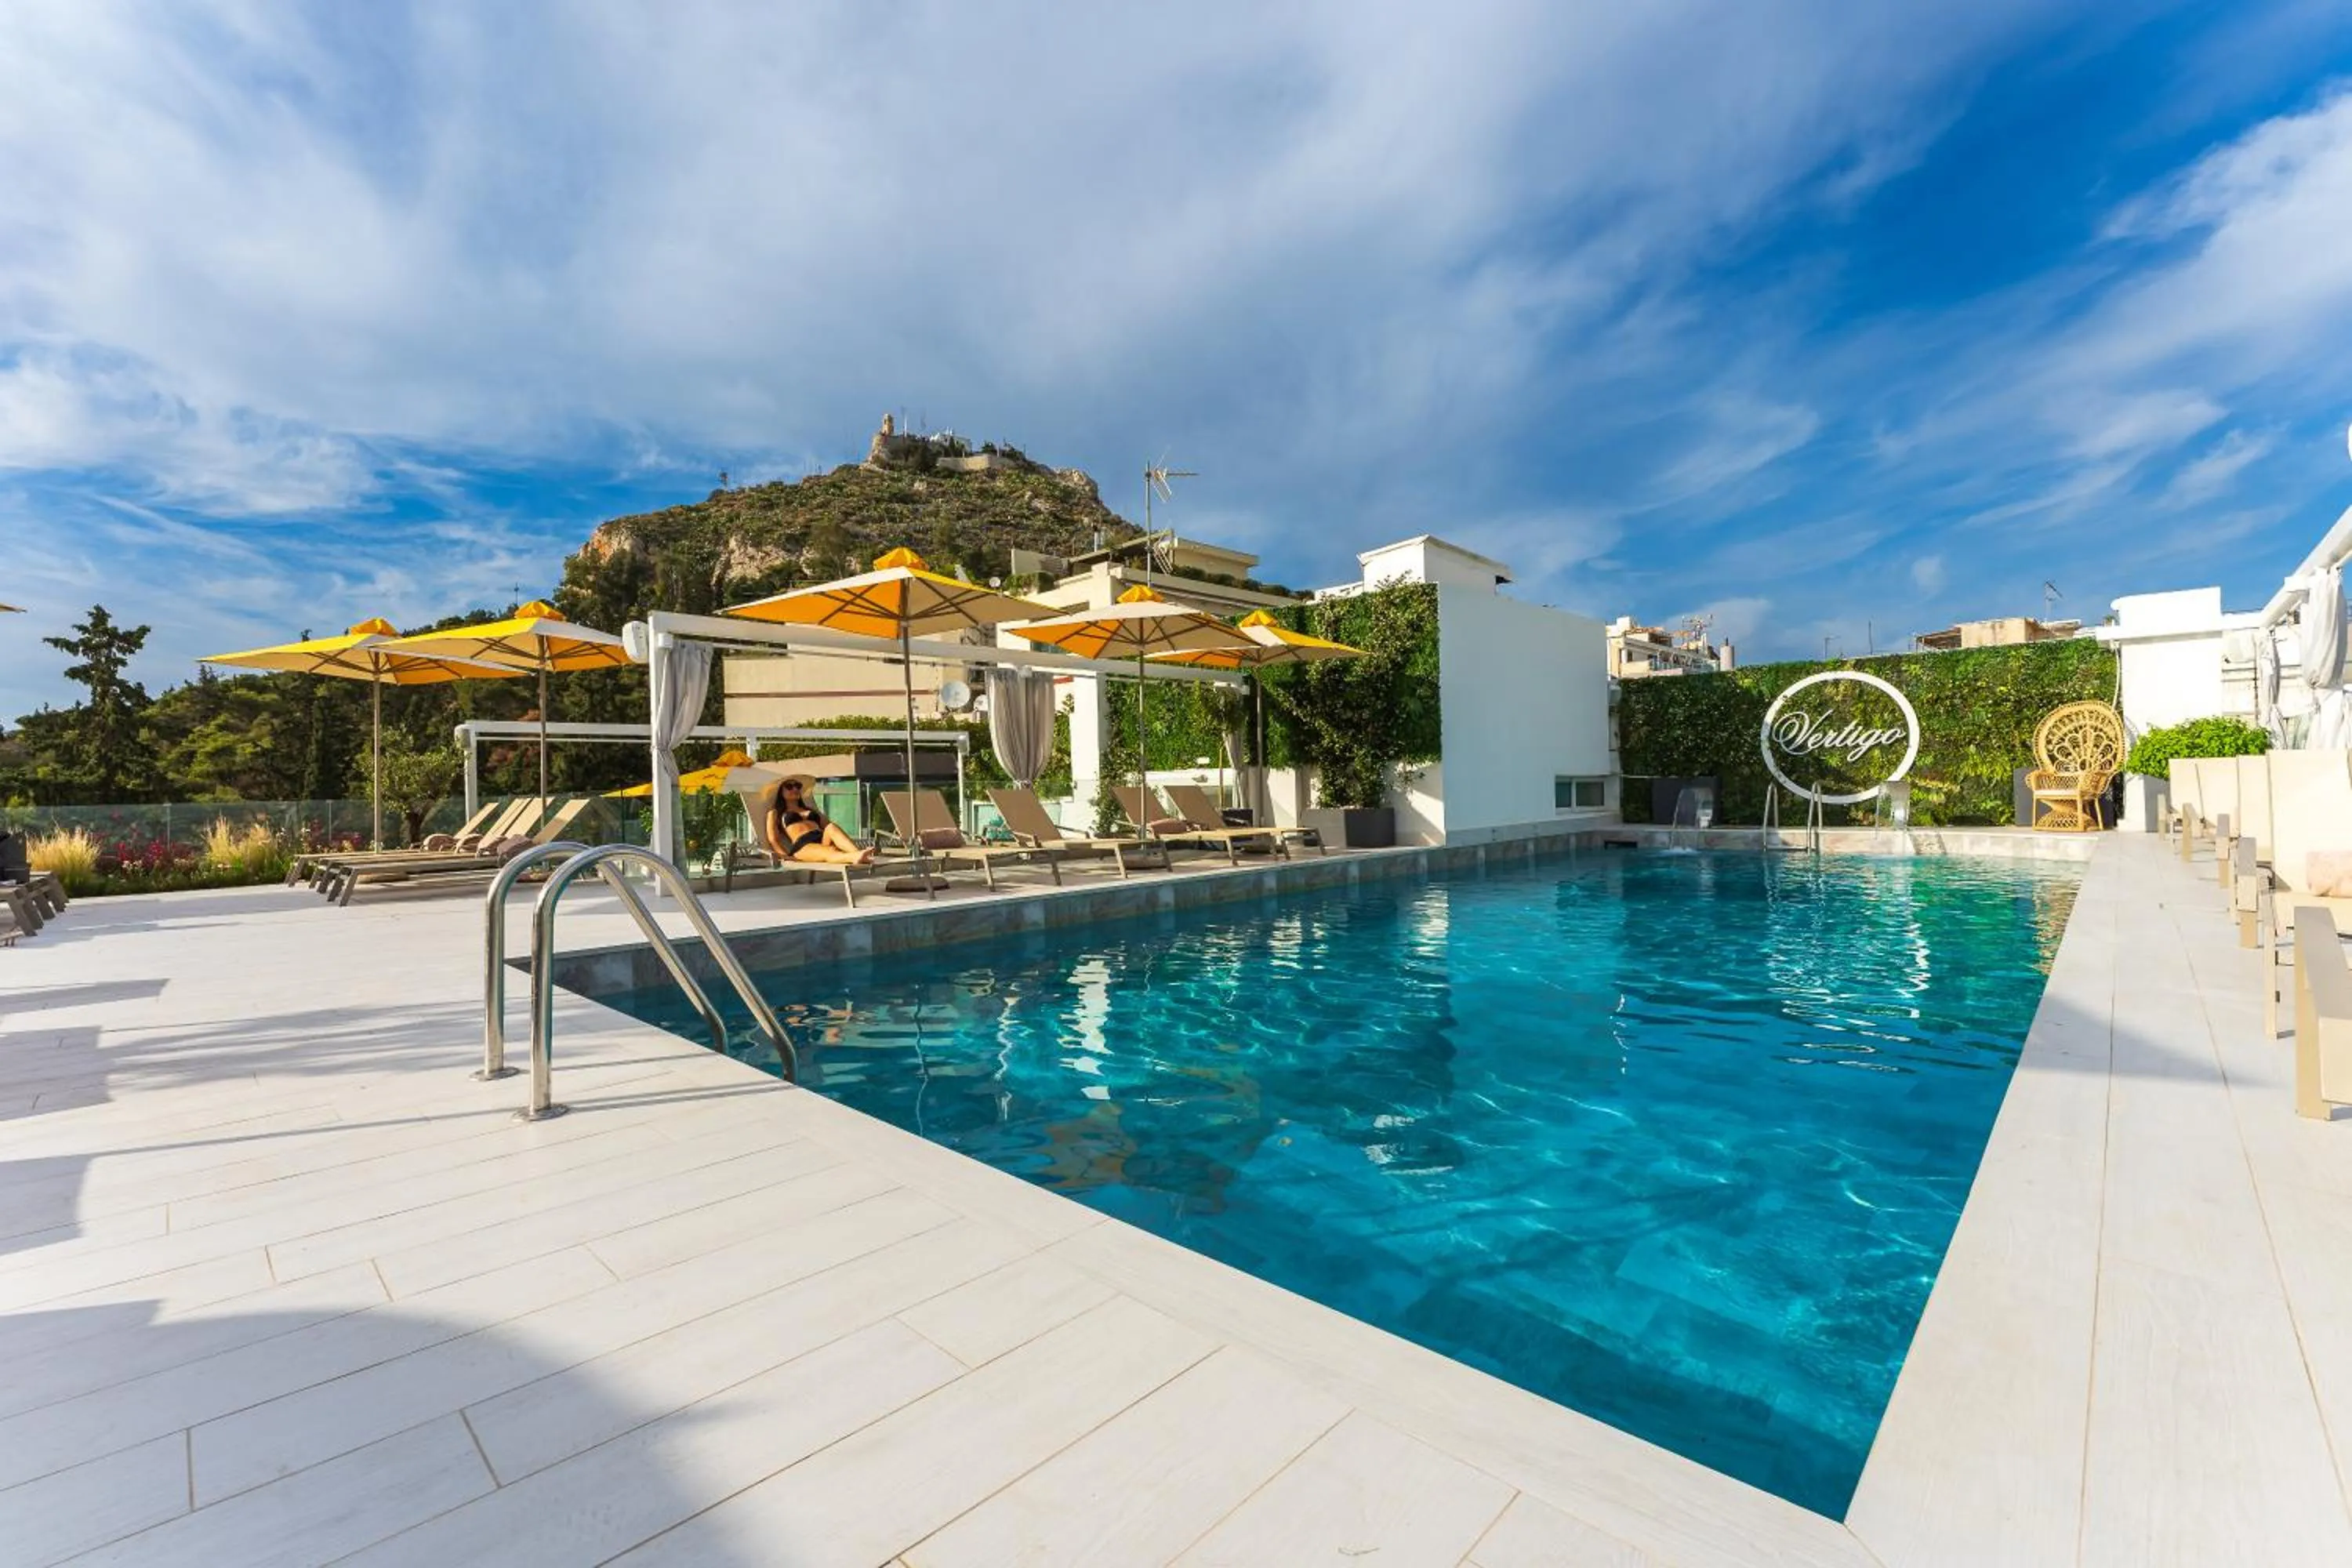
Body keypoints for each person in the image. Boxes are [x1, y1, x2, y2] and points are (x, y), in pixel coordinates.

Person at [765, 775, 874, 864]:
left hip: (821, 838)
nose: (795, 789)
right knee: (830, 851)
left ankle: (858, 853)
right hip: (803, 846)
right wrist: (785, 857)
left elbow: (829, 827)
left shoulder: (810, 810)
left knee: (831, 827)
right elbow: (773, 839)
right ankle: (855, 857)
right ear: (781, 792)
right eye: (789, 787)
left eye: (798, 786)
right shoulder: (775, 813)